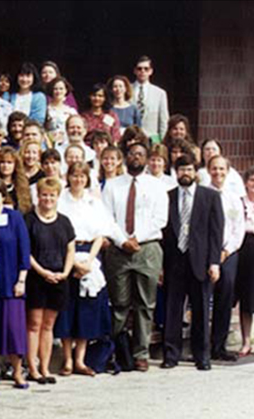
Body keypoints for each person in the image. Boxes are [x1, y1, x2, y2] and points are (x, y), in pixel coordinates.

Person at [102, 143, 169, 371]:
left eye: (140, 154)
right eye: (131, 154)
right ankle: (115, 352)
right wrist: (122, 241)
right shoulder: (112, 186)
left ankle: (141, 353)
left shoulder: (157, 186)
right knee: (119, 303)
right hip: (119, 250)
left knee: (145, 304)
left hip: (147, 248)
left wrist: (136, 238)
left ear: (147, 159)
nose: (135, 157)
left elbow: (160, 219)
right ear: (125, 157)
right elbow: (106, 218)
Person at [161, 155, 223, 371]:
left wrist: (214, 262)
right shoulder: (167, 197)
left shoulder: (210, 197)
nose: (185, 173)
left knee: (201, 309)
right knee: (173, 309)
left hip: (201, 261)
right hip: (175, 260)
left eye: (188, 169)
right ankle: (171, 354)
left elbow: (216, 232)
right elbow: (163, 231)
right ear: (176, 172)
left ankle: (202, 355)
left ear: (196, 171)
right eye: (181, 170)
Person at [54, 164, 113, 376]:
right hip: (67, 254)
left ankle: (80, 359)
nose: (78, 180)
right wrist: (73, 264)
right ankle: (67, 360)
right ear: (68, 177)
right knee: (67, 310)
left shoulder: (94, 203)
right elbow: (58, 232)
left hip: (90, 256)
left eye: (82, 176)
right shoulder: (61, 201)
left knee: (87, 310)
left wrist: (89, 261)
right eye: (74, 175)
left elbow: (101, 234)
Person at [0, 178, 30, 388]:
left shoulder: (14, 217)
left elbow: (24, 250)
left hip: (11, 281)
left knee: (13, 328)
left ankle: (18, 373)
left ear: (3, 196)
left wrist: (21, 280)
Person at [25, 177, 75, 384]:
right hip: (36, 277)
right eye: (44, 194)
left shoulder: (64, 221)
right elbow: (25, 252)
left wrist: (65, 272)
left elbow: (70, 248)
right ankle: (33, 368)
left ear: (57, 197)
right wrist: (42, 271)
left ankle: (45, 368)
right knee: (34, 324)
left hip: (59, 278)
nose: (47, 199)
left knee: (48, 325)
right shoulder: (29, 220)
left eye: (51, 195)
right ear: (38, 196)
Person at [205, 156, 245, 362]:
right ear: (207, 170)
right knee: (202, 300)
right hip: (205, 254)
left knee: (224, 299)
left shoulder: (233, 198)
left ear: (227, 171)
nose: (217, 172)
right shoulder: (202, 194)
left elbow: (238, 229)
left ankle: (218, 346)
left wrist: (226, 251)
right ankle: (201, 346)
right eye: (214, 168)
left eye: (221, 169)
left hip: (228, 253)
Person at [132, 56, 169, 143]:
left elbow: (163, 121)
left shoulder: (160, 93)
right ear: (135, 71)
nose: (142, 71)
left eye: (146, 69)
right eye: (139, 69)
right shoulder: (126, 90)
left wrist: (162, 143)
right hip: (131, 139)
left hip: (152, 139)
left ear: (151, 71)